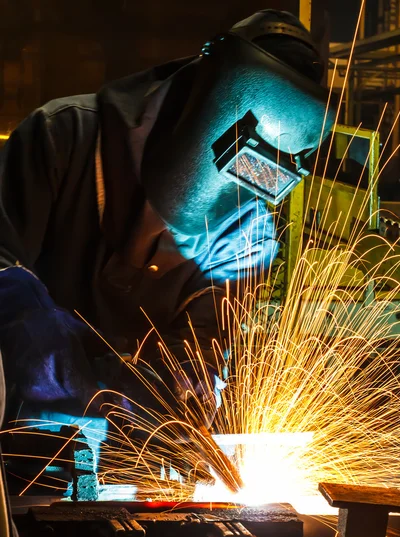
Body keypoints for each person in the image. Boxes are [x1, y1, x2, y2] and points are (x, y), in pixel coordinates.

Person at [0, 9, 333, 435]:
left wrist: (189, 385)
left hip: (129, 459)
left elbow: (209, 340)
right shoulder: (62, 140)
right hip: (16, 442)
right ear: (204, 110)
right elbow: (2, 275)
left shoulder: (246, 229)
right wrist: (58, 357)